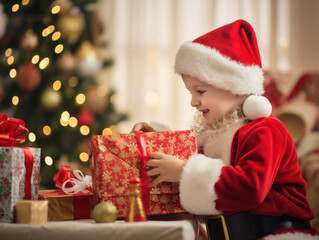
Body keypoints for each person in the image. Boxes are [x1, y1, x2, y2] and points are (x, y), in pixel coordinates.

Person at [132, 19, 319, 240]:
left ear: (236, 88)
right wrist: (158, 140)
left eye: (200, 91)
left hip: (276, 232)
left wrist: (184, 171)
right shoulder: (215, 136)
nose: (193, 102)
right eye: (190, 93)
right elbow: (192, 161)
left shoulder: (265, 129)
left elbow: (251, 188)